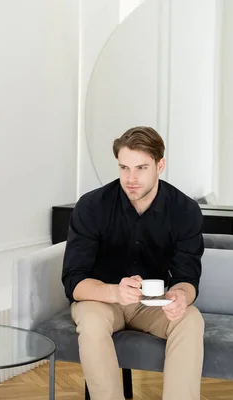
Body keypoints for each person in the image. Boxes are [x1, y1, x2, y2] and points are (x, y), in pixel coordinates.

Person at [61, 126, 205, 400]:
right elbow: (74, 281)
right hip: (101, 300)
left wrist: (180, 296)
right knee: (91, 323)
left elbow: (188, 277)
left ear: (160, 165)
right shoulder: (92, 206)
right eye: (124, 168)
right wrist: (114, 291)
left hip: (151, 305)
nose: (131, 178)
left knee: (191, 319)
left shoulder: (184, 210)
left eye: (141, 168)